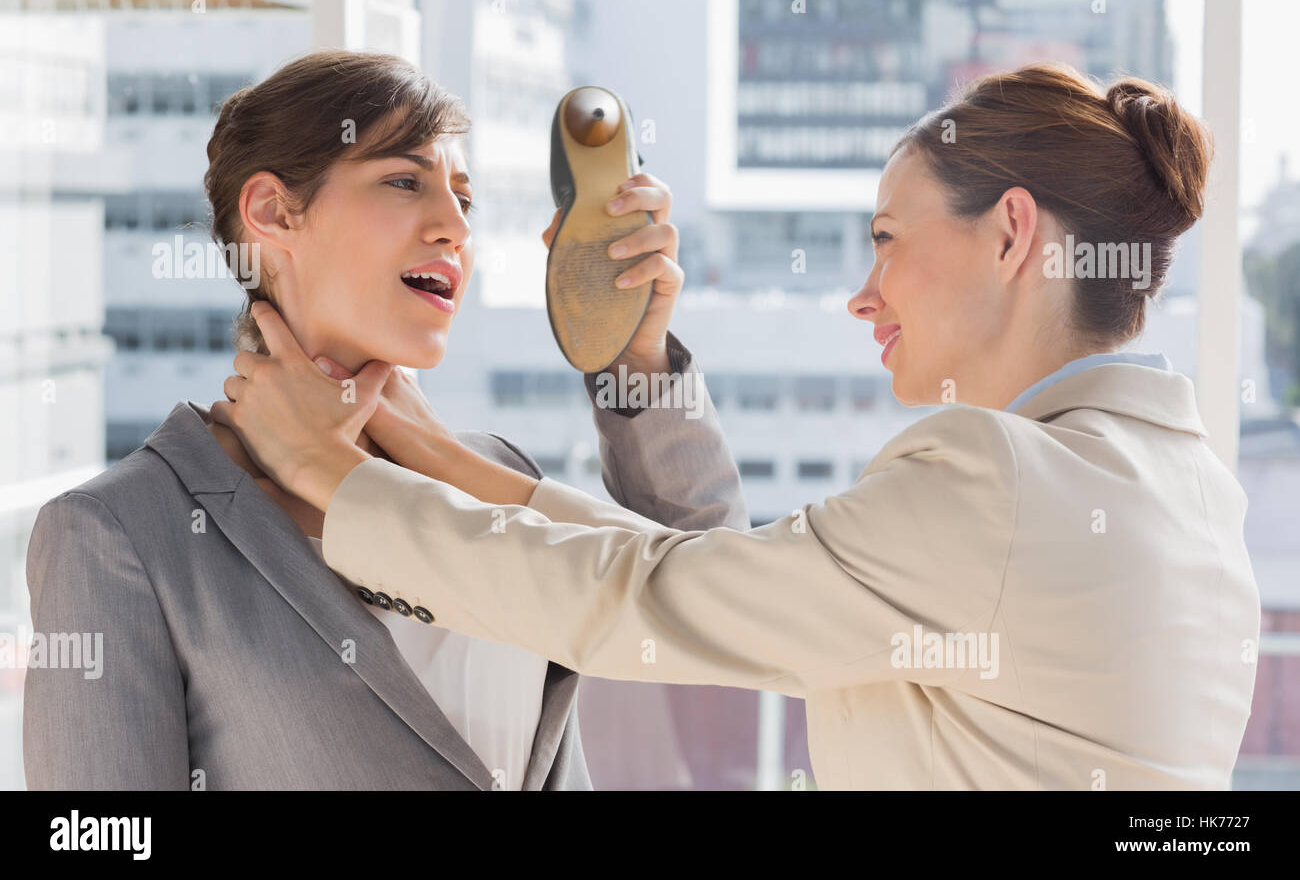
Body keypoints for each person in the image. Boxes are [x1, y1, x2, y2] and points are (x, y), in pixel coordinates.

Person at [219, 63, 1262, 790]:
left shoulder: (998, 483)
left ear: (1011, 234)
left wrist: (331, 469)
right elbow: (710, 580)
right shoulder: (1189, 489)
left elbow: (658, 598)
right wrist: (455, 448)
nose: (864, 294)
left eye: (887, 239)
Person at [23, 49, 745, 791]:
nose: (454, 228)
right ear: (272, 211)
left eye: (465, 199)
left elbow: (726, 599)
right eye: (404, 181)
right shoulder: (121, 533)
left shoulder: (498, 473)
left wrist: (634, 353)